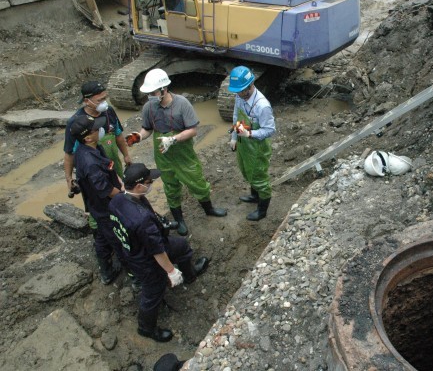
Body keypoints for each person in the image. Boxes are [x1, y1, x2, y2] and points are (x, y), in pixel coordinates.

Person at [109, 163, 210, 343]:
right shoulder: (142, 220)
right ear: (139, 185)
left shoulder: (118, 200)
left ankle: (190, 274)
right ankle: (146, 328)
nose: (151, 184)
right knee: (153, 291)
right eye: (149, 182)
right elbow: (158, 252)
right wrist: (171, 271)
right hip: (145, 259)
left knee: (182, 247)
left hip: (132, 250)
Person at [125, 69, 226, 236]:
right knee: (170, 187)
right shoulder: (148, 107)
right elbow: (147, 129)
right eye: (149, 93)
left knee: (196, 181)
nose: (150, 96)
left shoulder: (182, 104)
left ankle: (209, 209)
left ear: (164, 89)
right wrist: (138, 136)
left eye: (153, 92)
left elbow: (193, 130)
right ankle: (179, 220)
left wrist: (173, 139)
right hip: (163, 154)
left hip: (183, 152)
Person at [64, 81, 132, 256]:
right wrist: (68, 178)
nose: (104, 102)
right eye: (100, 99)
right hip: (92, 170)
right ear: (87, 101)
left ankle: (121, 229)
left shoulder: (108, 112)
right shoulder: (76, 123)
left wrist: (125, 155)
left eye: (105, 97)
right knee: (99, 208)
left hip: (110, 164)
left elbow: (118, 135)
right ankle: (104, 244)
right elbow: (69, 153)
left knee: (117, 201)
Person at [71, 114, 125, 284]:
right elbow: (105, 189)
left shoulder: (93, 148)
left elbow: (109, 167)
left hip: (98, 206)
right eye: (96, 129)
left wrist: (119, 180)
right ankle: (133, 273)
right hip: (105, 208)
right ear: (87, 137)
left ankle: (106, 272)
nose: (101, 129)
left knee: (101, 237)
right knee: (118, 239)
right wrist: (126, 195)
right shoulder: (89, 162)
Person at [228, 66, 276, 221]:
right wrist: (235, 137)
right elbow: (237, 116)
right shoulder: (239, 97)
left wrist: (249, 134)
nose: (239, 94)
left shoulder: (262, 105)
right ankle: (254, 196)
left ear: (250, 85)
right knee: (246, 170)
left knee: (258, 176)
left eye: (241, 90)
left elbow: (269, 130)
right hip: (243, 143)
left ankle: (262, 210)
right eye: (237, 91)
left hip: (257, 146)